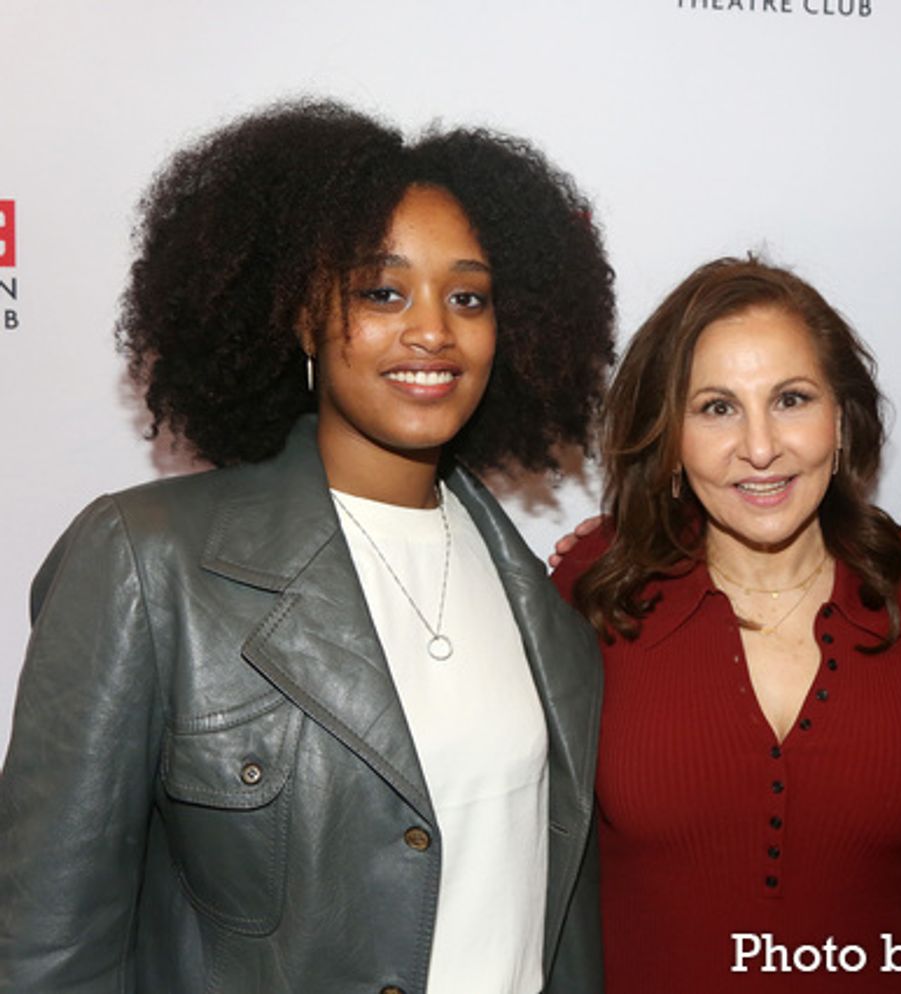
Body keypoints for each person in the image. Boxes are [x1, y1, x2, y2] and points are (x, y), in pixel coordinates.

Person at [0, 100, 615, 994]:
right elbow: (44, 953)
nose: (433, 330)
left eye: (468, 297)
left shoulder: (543, 611)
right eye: (381, 291)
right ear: (298, 315)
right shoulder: (145, 562)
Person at [551, 257, 901, 993]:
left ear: (841, 417)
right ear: (669, 437)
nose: (760, 448)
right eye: (717, 408)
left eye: (791, 399)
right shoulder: (593, 588)